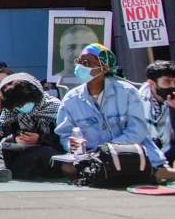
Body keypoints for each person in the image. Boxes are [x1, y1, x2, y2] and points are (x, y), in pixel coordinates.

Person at [55, 43, 166, 176]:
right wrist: (72, 144)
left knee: (155, 172)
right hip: (92, 157)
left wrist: (108, 149)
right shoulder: (70, 99)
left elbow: (138, 131)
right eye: (79, 61)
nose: (81, 66)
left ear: (105, 68)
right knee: (68, 168)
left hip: (130, 153)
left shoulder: (128, 92)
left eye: (87, 62)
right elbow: (65, 134)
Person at [0, 73, 62, 183]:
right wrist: (15, 138)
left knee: (42, 154)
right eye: (17, 106)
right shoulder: (8, 111)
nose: (21, 107)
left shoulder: (54, 106)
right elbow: (6, 135)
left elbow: (63, 138)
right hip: (18, 151)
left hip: (44, 151)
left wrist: (40, 139)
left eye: (25, 102)